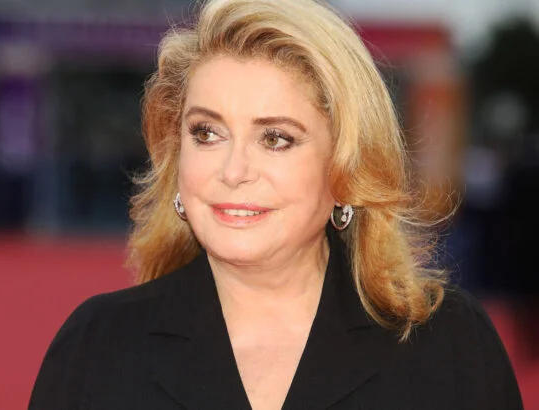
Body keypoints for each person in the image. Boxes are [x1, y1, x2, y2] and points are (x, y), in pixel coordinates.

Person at [28, 0, 524, 408]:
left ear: (345, 169)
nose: (233, 171)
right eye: (207, 133)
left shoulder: (450, 345)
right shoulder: (97, 345)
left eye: (276, 138)